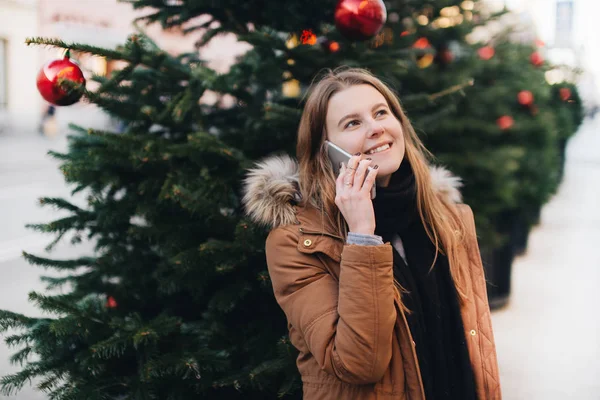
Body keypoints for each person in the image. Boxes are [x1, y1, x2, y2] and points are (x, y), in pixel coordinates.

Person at [242, 67, 501, 399]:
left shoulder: (448, 217)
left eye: (381, 113)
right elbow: (358, 364)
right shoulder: (296, 243)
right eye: (353, 123)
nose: (376, 128)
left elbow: (475, 345)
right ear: (326, 152)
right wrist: (362, 235)